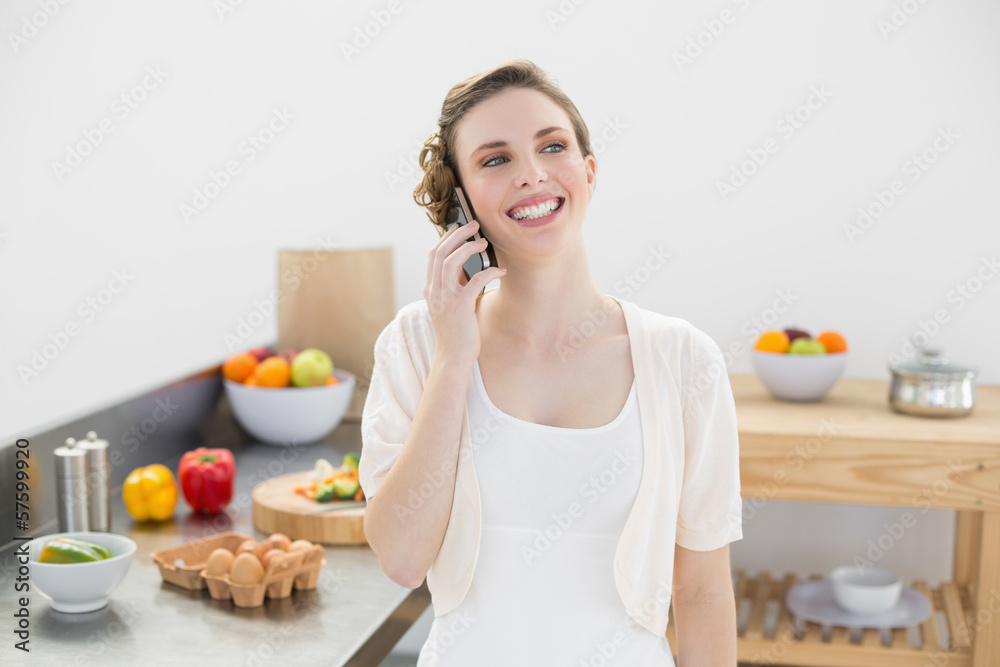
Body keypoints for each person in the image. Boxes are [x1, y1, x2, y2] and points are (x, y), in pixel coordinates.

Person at [359, 60, 743, 666]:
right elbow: (403, 561)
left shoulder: (684, 361)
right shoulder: (418, 343)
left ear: (588, 172)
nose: (531, 175)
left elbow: (702, 595)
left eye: (552, 146)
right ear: (459, 202)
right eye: (495, 159)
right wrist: (455, 357)